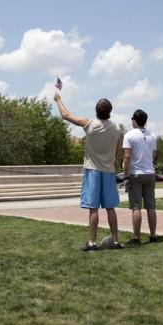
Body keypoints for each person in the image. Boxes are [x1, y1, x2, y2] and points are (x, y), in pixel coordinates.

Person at [54, 92, 122, 251]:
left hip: (93, 171)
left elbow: (65, 115)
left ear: (96, 111)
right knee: (110, 208)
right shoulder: (115, 128)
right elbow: (115, 150)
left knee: (93, 209)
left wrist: (58, 100)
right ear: (109, 112)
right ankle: (116, 241)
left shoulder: (89, 124)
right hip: (109, 171)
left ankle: (92, 242)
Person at [122, 109, 159, 245]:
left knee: (136, 207)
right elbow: (154, 154)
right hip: (149, 172)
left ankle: (136, 237)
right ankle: (153, 235)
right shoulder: (152, 136)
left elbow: (126, 157)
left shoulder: (129, 136)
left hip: (135, 173)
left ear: (135, 121)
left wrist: (126, 176)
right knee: (151, 207)